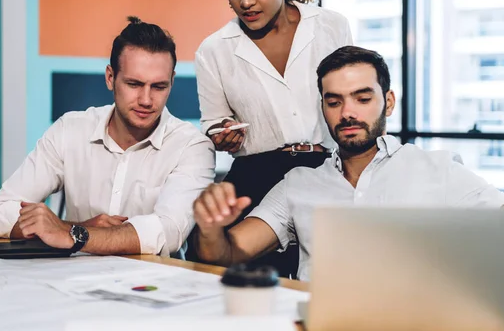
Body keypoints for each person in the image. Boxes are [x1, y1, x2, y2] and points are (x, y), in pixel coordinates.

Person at [192, 45, 504, 280]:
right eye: (334, 101)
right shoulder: (298, 184)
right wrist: (210, 228)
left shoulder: (438, 170)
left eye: (363, 98)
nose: (347, 113)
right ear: (323, 107)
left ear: (389, 102)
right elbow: (226, 255)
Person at [192, 0, 352, 276]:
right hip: (255, 176)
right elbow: (213, 120)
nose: (246, 1)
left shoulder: (330, 27)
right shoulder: (213, 50)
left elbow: (348, 95)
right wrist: (221, 132)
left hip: (325, 168)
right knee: (214, 263)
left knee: (333, 275)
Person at [0, 17, 215, 257]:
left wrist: (72, 234)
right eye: (134, 84)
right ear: (110, 78)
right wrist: (80, 229)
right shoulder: (70, 129)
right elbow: (0, 213)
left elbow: (166, 233)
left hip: (152, 284)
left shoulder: (192, 146)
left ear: (171, 83)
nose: (146, 100)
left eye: (158, 87)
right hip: (72, 282)